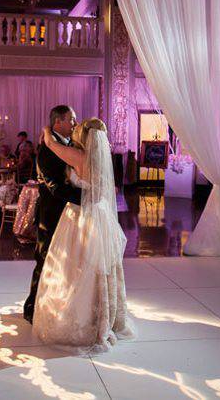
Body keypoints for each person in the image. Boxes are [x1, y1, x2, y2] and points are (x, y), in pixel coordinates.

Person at [32, 117, 135, 353]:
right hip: (99, 217)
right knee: (97, 270)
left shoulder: (78, 157)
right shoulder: (100, 158)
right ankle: (102, 317)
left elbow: (51, 144)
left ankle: (82, 320)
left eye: (78, 130)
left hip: (79, 217)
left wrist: (46, 129)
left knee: (74, 268)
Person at [24, 105, 82, 322]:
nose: (75, 123)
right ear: (58, 122)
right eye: (71, 119)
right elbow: (55, 186)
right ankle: (31, 308)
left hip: (68, 216)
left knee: (62, 264)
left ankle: (53, 305)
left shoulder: (67, 144)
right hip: (50, 216)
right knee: (44, 260)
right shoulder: (47, 150)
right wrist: (86, 198)